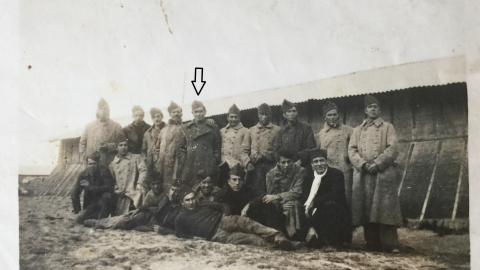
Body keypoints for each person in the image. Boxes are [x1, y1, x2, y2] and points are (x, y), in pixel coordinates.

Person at [348, 94, 403, 253]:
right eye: (370, 107)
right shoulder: (358, 130)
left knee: (385, 209)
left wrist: (378, 164)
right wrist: (363, 164)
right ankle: (372, 243)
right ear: (365, 110)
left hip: (382, 174)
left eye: (376, 107)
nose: (373, 109)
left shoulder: (388, 127)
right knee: (366, 208)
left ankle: (391, 244)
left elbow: (393, 148)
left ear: (380, 110)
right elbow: (351, 150)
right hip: (364, 175)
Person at [175, 188, 303, 251]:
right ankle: (282, 246)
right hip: (216, 235)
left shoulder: (203, 203)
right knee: (249, 239)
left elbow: (223, 206)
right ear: (182, 202)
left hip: (223, 220)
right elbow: (179, 233)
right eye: (187, 200)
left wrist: (226, 215)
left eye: (192, 198)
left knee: (249, 224)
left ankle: (278, 237)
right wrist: (193, 238)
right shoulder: (181, 218)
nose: (192, 202)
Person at [83, 178, 184, 234]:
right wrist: (139, 210)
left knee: (128, 226)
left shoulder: (181, 208)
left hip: (153, 224)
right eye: (172, 189)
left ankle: (101, 222)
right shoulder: (166, 198)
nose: (173, 193)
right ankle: (98, 223)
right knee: (124, 221)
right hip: (147, 216)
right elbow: (151, 206)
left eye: (176, 191)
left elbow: (184, 231)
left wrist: (166, 231)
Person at [243, 149, 305, 239]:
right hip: (279, 205)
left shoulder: (300, 171)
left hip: (296, 201)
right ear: (278, 162)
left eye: (289, 162)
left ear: (293, 161)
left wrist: (278, 196)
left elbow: (297, 192)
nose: (286, 165)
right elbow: (270, 195)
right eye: (283, 162)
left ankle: (292, 235)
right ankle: (286, 235)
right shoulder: (271, 174)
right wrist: (281, 206)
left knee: (293, 204)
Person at [302, 148, 351, 251]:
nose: (319, 164)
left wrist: (314, 202)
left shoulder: (336, 174)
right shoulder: (308, 178)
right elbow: (304, 199)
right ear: (311, 164)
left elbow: (335, 195)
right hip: (314, 212)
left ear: (326, 161)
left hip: (335, 212)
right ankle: (312, 234)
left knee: (329, 206)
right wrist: (310, 226)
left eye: (322, 160)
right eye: (316, 162)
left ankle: (331, 243)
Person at [316, 101, 354, 209]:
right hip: (329, 171)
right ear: (325, 117)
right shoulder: (321, 134)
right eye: (329, 115)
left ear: (338, 115)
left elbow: (354, 149)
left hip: (345, 170)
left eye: (334, 114)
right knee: (330, 197)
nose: (332, 117)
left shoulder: (349, 130)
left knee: (346, 196)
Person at [177, 100, 221, 186]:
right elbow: (179, 148)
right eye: (196, 112)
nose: (198, 114)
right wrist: (186, 161)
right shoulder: (185, 128)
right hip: (191, 167)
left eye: (201, 111)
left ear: (205, 112)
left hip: (208, 166)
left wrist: (213, 161)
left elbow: (217, 148)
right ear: (192, 113)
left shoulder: (213, 127)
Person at [241, 103, 280, 193]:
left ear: (270, 115)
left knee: (271, 191)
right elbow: (244, 150)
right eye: (262, 114)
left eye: (267, 114)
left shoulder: (277, 130)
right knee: (255, 192)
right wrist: (248, 163)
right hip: (255, 167)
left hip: (271, 165)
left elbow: (279, 149)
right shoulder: (251, 130)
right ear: (258, 115)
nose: (264, 117)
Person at [79, 98, 125, 167]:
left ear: (109, 111)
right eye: (100, 109)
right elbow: (82, 143)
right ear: (97, 111)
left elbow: (122, 144)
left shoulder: (116, 126)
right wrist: (84, 157)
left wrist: (109, 146)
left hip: (110, 163)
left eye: (105, 109)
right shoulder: (89, 126)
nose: (103, 111)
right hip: (92, 164)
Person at [71, 151, 114, 223]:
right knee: (79, 220)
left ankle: (101, 219)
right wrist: (77, 211)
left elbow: (109, 187)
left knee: (107, 196)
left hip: (103, 201)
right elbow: (75, 192)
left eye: (94, 164)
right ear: (87, 164)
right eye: (90, 164)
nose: (92, 166)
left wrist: (90, 187)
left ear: (98, 163)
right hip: (90, 203)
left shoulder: (104, 171)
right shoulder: (83, 174)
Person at [109, 139, 148, 215]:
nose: (123, 147)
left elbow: (144, 170)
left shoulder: (136, 157)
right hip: (121, 193)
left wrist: (140, 183)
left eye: (125, 145)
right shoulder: (113, 164)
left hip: (134, 192)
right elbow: (112, 180)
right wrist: (116, 188)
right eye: (120, 145)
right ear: (116, 148)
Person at [273, 99, 316, 167]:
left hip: (303, 165)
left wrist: (300, 161)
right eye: (289, 111)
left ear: (297, 112)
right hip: (286, 166)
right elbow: (276, 151)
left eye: (294, 111)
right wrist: (283, 163)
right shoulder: (280, 132)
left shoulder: (306, 128)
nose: (292, 114)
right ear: (284, 115)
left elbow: (311, 148)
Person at [155, 101, 185, 192]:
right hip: (163, 167)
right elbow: (156, 149)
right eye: (173, 112)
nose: (176, 114)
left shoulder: (185, 128)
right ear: (169, 114)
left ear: (181, 113)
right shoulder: (163, 131)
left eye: (178, 112)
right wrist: (157, 161)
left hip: (178, 166)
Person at [142, 108, 166, 173]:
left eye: (158, 116)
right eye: (154, 117)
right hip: (151, 163)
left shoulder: (168, 130)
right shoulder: (147, 133)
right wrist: (145, 159)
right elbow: (143, 150)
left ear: (162, 116)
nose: (156, 119)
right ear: (152, 119)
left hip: (165, 162)